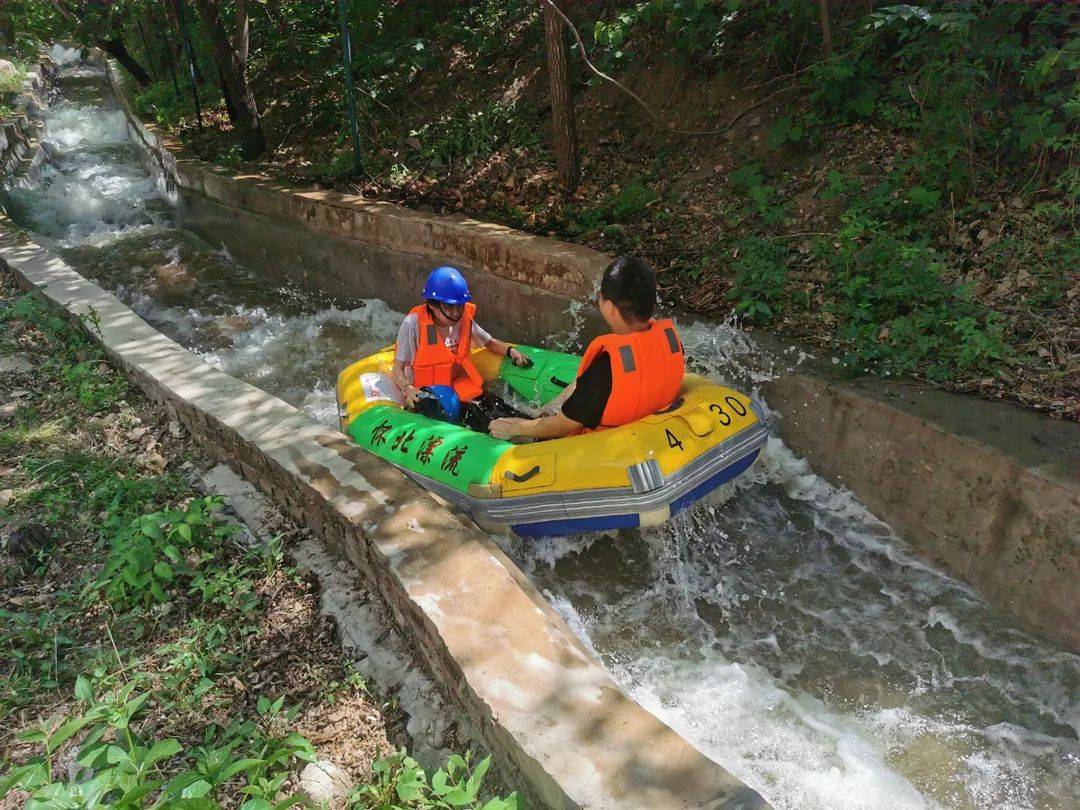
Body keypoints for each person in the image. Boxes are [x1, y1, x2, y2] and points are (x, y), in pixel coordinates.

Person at [489, 255, 684, 440]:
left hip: (600, 448)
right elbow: (589, 384)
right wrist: (540, 412)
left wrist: (516, 427)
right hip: (648, 428)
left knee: (490, 417)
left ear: (608, 306)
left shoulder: (606, 368)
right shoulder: (670, 343)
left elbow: (563, 424)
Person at [392, 265, 531, 433]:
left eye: (459, 306)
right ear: (433, 305)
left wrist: (511, 351)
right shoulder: (413, 324)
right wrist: (408, 389)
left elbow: (489, 342)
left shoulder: (464, 320)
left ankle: (538, 428)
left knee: (499, 408)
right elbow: (397, 369)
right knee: (483, 424)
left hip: (461, 387)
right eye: (449, 307)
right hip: (434, 397)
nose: (456, 312)